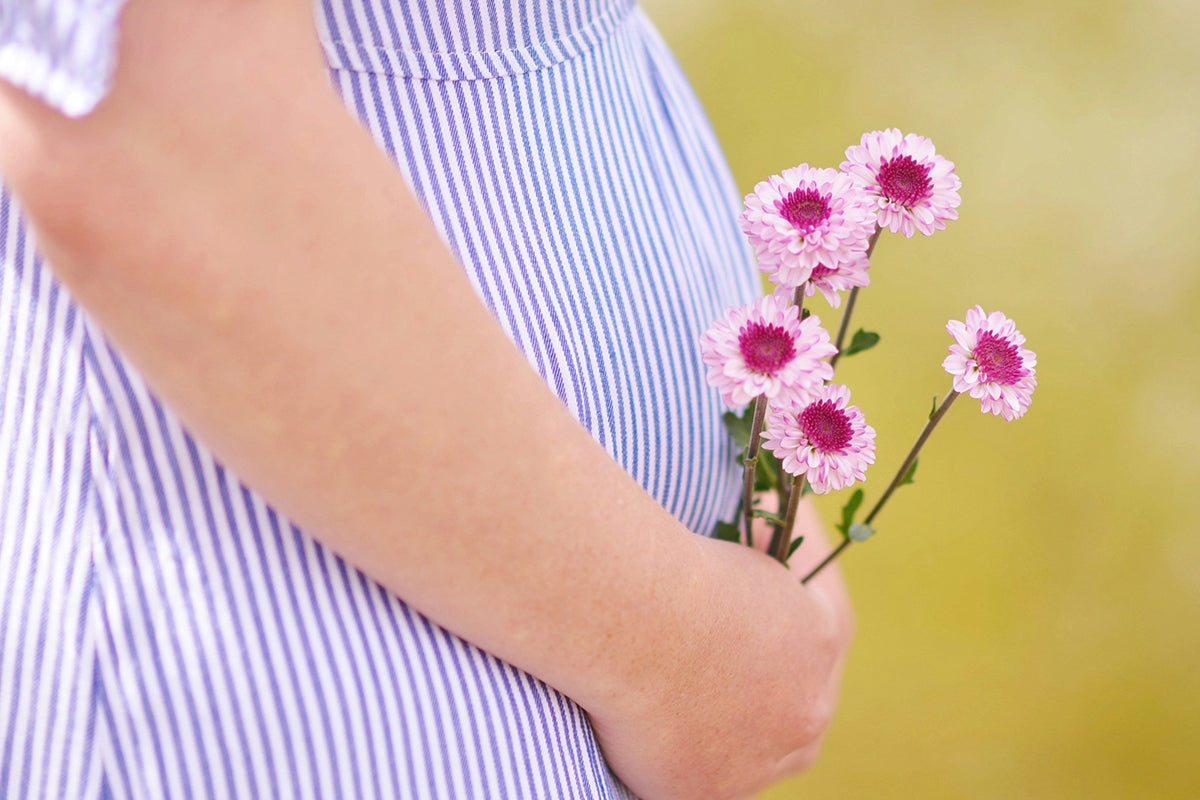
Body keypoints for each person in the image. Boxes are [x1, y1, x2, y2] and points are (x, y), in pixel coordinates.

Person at [0, 1, 854, 798]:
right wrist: (672, 649)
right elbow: (157, 138)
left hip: (535, 614)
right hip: (298, 671)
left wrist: (741, 474)